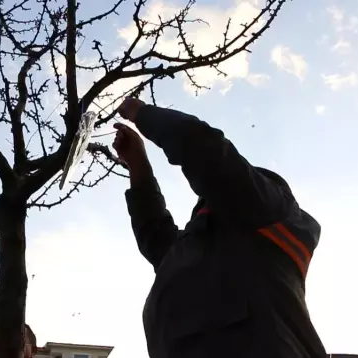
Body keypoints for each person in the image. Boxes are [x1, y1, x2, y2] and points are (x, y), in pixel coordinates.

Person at [112, 98, 326, 358]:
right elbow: (155, 234)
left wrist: (145, 115)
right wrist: (138, 165)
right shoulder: (197, 247)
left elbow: (208, 155)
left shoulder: (272, 216)